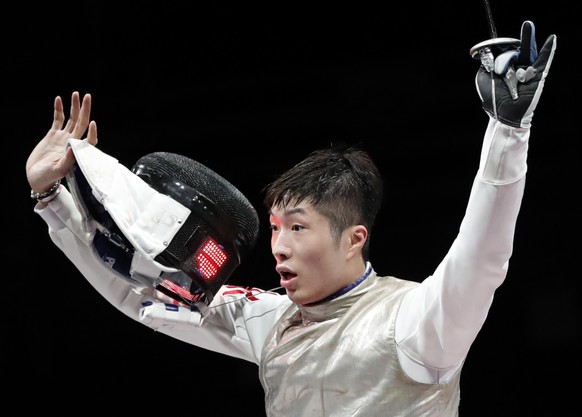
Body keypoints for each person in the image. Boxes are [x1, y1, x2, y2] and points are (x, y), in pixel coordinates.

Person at [26, 20, 556, 417]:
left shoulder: (415, 322)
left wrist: (508, 132)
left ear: (354, 239)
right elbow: (141, 297)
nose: (278, 246)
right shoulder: (270, 322)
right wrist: (53, 197)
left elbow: (482, 259)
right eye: (276, 228)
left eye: (297, 228)